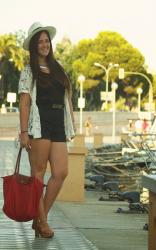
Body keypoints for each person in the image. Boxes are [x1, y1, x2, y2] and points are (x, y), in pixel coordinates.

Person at [18, 22, 76, 238]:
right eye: (40, 41)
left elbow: (67, 98)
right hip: (39, 124)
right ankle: (42, 222)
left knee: (61, 172)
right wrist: (24, 133)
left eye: (46, 41)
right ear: (34, 46)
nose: (44, 44)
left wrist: (71, 122)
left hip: (58, 124)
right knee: (38, 175)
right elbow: (24, 103)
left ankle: (40, 217)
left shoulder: (58, 68)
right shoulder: (28, 70)